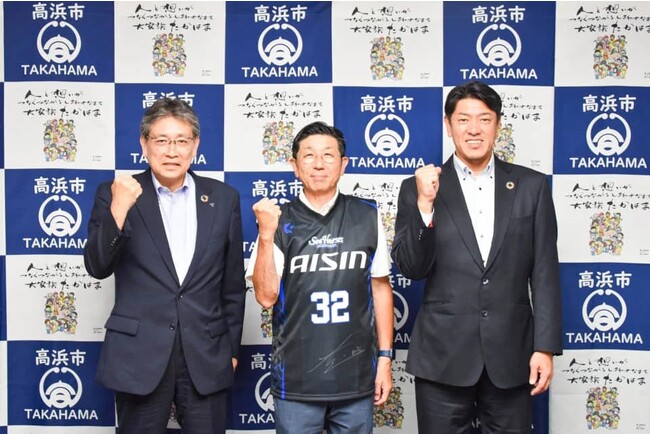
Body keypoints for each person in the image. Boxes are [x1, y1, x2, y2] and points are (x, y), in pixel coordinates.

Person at [391, 81, 562, 434]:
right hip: (442, 356)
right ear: (448, 125)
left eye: (484, 119)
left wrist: (544, 347)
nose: (474, 129)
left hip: (512, 354)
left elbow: (545, 272)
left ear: (498, 125)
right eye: (463, 119)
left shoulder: (531, 186)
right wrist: (425, 206)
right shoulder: (417, 187)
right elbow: (412, 268)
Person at [84, 97, 246, 434]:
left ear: (195, 145)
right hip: (139, 356)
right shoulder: (115, 194)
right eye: (161, 140)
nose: (172, 151)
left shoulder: (223, 198)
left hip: (206, 354)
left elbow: (232, 284)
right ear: (144, 144)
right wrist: (118, 210)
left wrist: (230, 350)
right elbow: (97, 266)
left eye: (181, 141)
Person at [246, 121, 394, 434]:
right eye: (309, 155)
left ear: (343, 164)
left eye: (328, 155)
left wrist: (384, 358)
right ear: (294, 165)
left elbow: (380, 289)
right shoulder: (278, 220)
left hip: (356, 376)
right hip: (296, 379)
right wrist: (266, 235)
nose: (318, 164)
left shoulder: (367, 215)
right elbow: (266, 296)